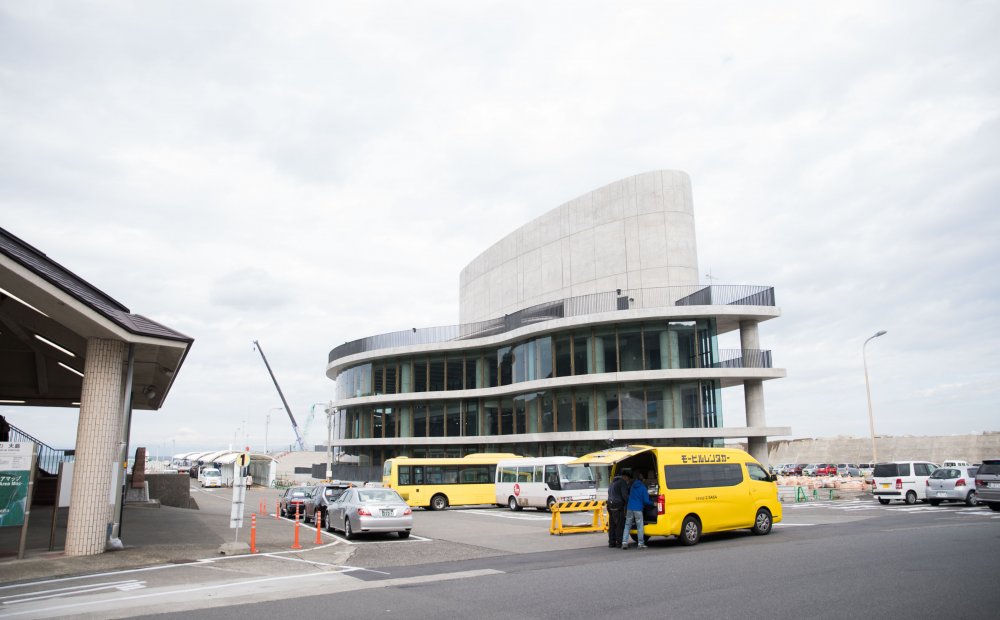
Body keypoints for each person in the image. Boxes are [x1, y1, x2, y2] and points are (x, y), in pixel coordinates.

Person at [622, 471, 653, 550]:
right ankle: (640, 544)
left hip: (630, 508)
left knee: (627, 525)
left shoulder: (632, 486)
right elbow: (646, 501)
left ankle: (624, 542)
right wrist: (653, 503)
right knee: (639, 526)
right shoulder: (643, 488)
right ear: (643, 480)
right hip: (638, 509)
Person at [606, 470, 630, 548]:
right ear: (625, 476)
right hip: (618, 505)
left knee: (612, 524)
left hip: (610, 504)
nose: (628, 481)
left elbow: (609, 493)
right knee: (619, 524)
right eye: (628, 478)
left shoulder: (612, 482)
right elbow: (625, 495)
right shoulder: (622, 482)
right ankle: (619, 542)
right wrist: (629, 502)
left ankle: (611, 542)